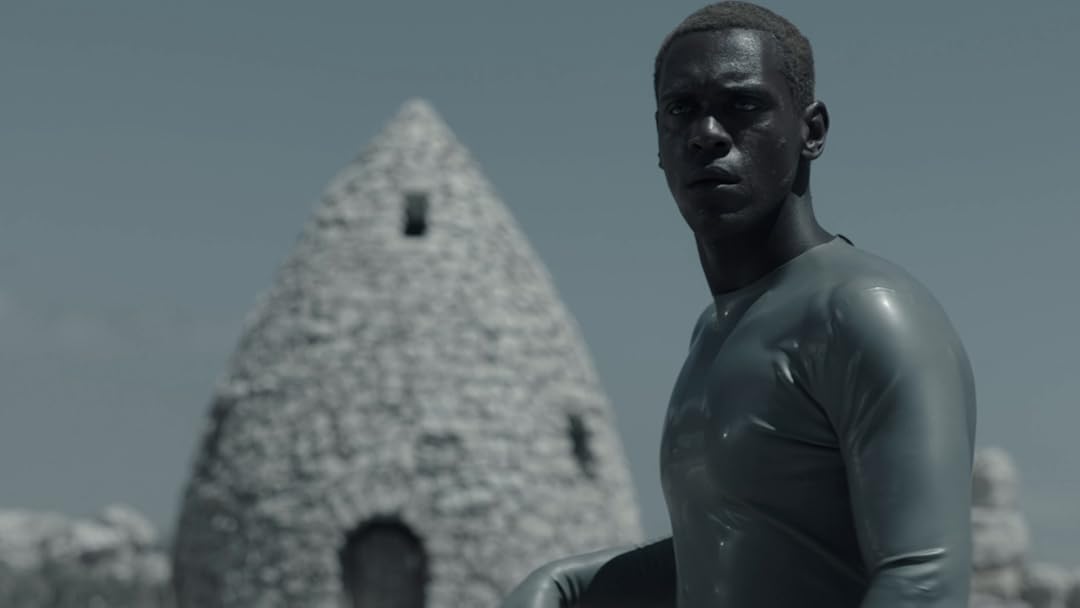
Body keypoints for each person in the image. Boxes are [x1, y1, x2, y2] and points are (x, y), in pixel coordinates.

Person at [500, 2, 977, 607]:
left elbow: (923, 584)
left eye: (743, 105)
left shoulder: (865, 313)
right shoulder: (714, 331)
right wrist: (571, 585)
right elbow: (739, 547)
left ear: (812, 131)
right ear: (659, 141)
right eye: (681, 110)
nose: (706, 133)